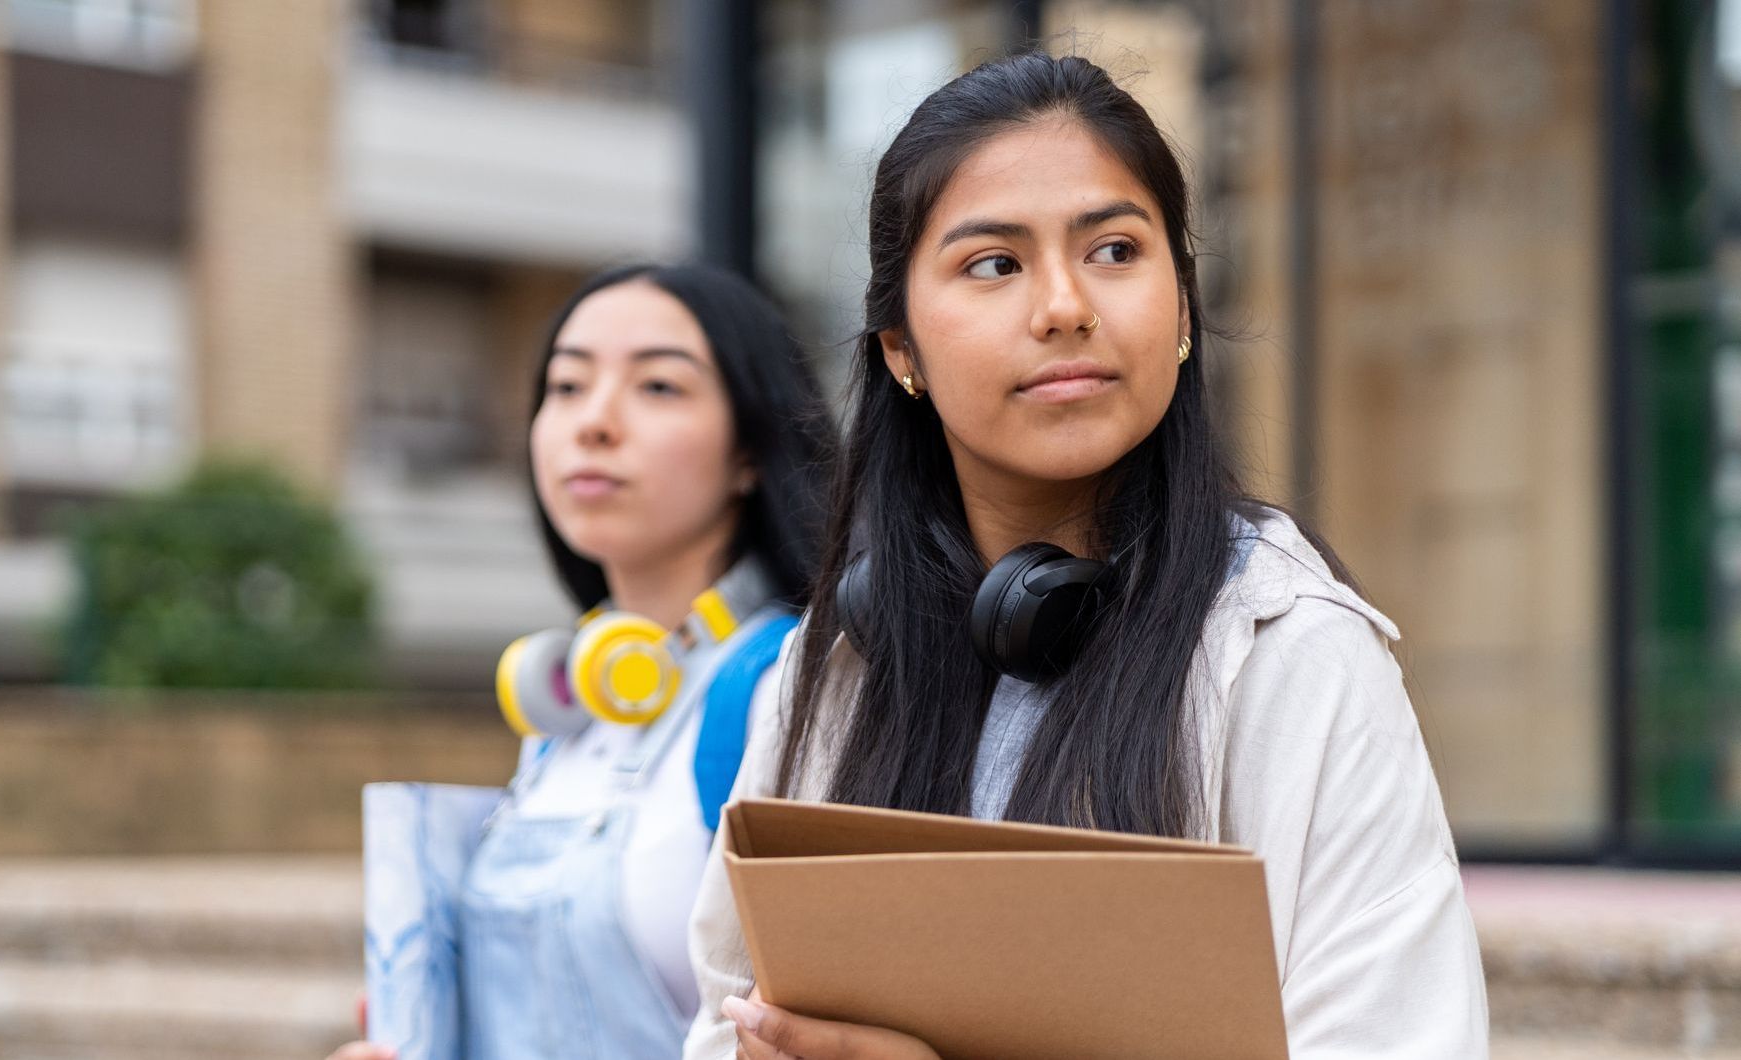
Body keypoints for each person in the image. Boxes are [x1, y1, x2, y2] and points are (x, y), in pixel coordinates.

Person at [683, 52, 1490, 1060]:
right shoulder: (834, 666)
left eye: (1114, 249)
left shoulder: (1291, 654)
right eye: (994, 263)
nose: (1065, 306)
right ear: (900, 350)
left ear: (1184, 310)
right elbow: (725, 1025)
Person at [331, 262, 836, 1060]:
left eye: (658, 387)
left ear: (751, 450)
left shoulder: (794, 688)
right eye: (566, 387)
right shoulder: (561, 720)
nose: (592, 422)